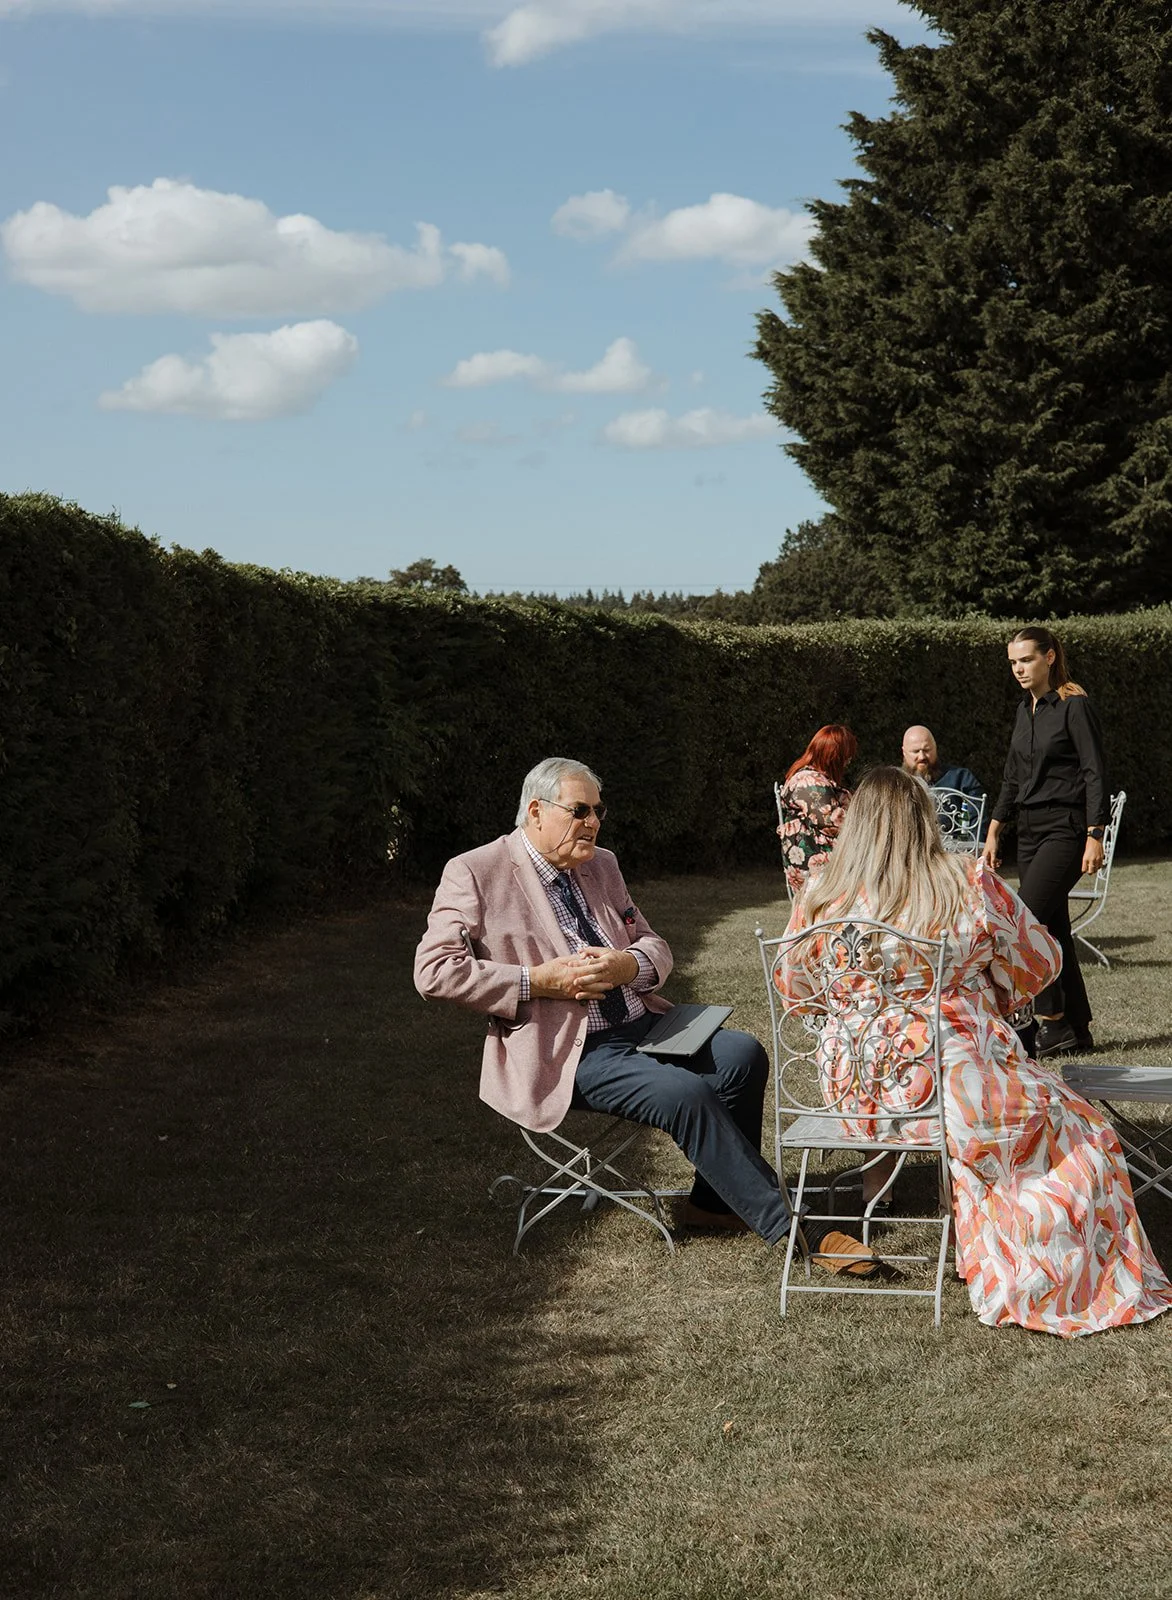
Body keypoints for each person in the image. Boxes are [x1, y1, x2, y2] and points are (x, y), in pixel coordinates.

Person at [414, 756, 874, 1272]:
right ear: (536, 811)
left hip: (642, 1023)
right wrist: (536, 980)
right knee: (685, 1093)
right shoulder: (476, 871)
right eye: (580, 810)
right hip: (569, 1049)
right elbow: (434, 971)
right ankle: (796, 1229)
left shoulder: (601, 864)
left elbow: (653, 944)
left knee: (742, 1053)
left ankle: (714, 1204)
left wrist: (627, 964)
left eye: (598, 811)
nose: (593, 822)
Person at [777, 766, 1172, 1337]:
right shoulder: (964, 881)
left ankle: (926, 1203)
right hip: (953, 1080)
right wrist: (987, 994)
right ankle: (1042, 1267)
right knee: (1083, 1132)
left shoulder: (819, 894)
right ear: (923, 821)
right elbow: (1041, 961)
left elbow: (795, 989)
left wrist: (856, 1011)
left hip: (856, 1086)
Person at [982, 626, 1108, 1057]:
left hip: (1067, 829)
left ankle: (1050, 1022)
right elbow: (1013, 775)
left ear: (1049, 657)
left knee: (1026, 920)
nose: (1019, 669)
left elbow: (1095, 772)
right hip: (1032, 833)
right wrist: (996, 827)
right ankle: (1077, 1028)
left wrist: (1095, 834)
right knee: (1054, 928)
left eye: (1027, 660)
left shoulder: (1074, 705)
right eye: (1013, 662)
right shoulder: (1025, 710)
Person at [776, 724, 857, 897]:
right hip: (818, 870)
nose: (848, 761)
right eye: (846, 756)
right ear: (834, 756)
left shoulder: (815, 778)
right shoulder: (809, 781)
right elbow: (834, 824)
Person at [901, 724, 987, 843]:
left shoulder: (962, 779)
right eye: (915, 751)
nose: (922, 756)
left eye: (927, 750)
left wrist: (972, 853)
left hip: (954, 854)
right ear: (904, 752)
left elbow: (977, 823)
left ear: (935, 748)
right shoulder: (894, 784)